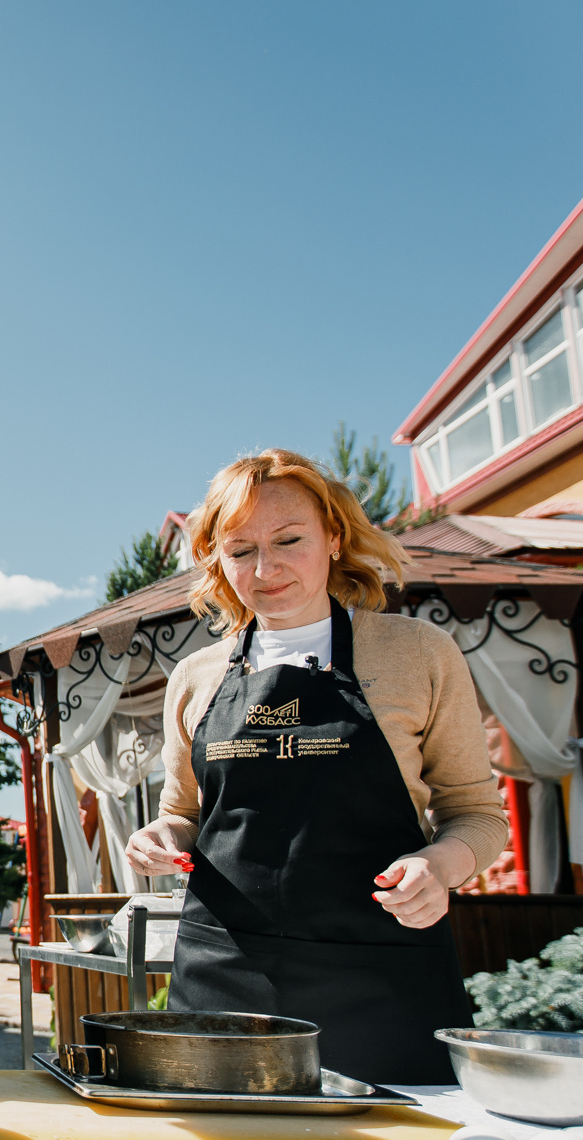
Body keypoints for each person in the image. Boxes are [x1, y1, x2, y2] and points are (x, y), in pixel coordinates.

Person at [124, 449, 506, 1085]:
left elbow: (476, 815)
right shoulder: (194, 677)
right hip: (224, 973)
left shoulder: (419, 654)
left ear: (333, 537)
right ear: (217, 558)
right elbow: (184, 814)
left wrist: (440, 867)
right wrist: (161, 837)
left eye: (288, 540)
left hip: (381, 976)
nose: (265, 569)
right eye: (240, 550)